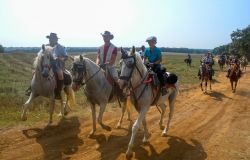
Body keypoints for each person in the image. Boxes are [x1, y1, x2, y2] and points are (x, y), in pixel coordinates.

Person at [25, 33, 68, 99]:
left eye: (52, 39)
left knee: (60, 75)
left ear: (56, 40)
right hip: (45, 65)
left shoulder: (61, 47)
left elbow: (66, 57)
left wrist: (59, 58)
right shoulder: (45, 46)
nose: (51, 40)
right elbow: (39, 54)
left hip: (57, 66)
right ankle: (31, 88)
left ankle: (57, 92)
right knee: (35, 72)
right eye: (50, 39)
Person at [96, 31, 125, 101]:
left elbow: (113, 59)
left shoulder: (114, 48)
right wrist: (97, 64)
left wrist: (107, 63)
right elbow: (98, 57)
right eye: (104, 36)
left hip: (110, 67)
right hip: (100, 66)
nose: (104, 38)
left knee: (116, 79)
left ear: (109, 38)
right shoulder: (100, 48)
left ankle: (121, 95)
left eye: (106, 36)